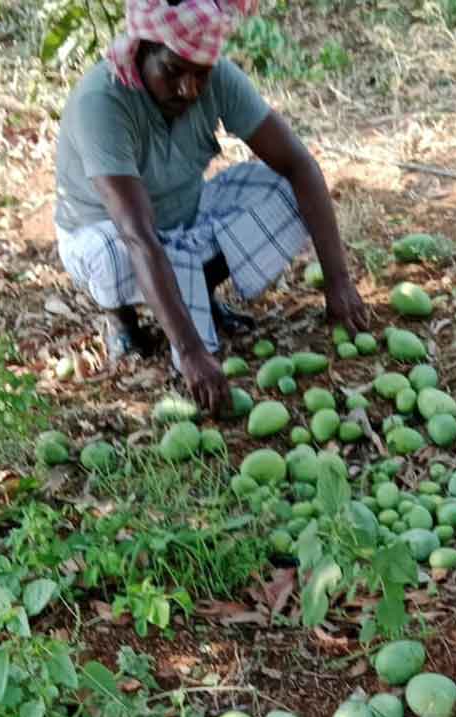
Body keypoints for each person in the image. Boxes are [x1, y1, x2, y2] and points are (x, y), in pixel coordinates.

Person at [53, 0, 369, 413]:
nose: (188, 89)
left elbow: (298, 165)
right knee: (114, 254)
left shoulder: (217, 78)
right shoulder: (103, 101)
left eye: (200, 74)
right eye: (172, 71)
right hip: (108, 232)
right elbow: (137, 234)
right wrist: (190, 352)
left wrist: (338, 281)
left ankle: (196, 292)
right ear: (143, 49)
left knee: (284, 189)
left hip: (186, 216)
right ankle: (123, 320)